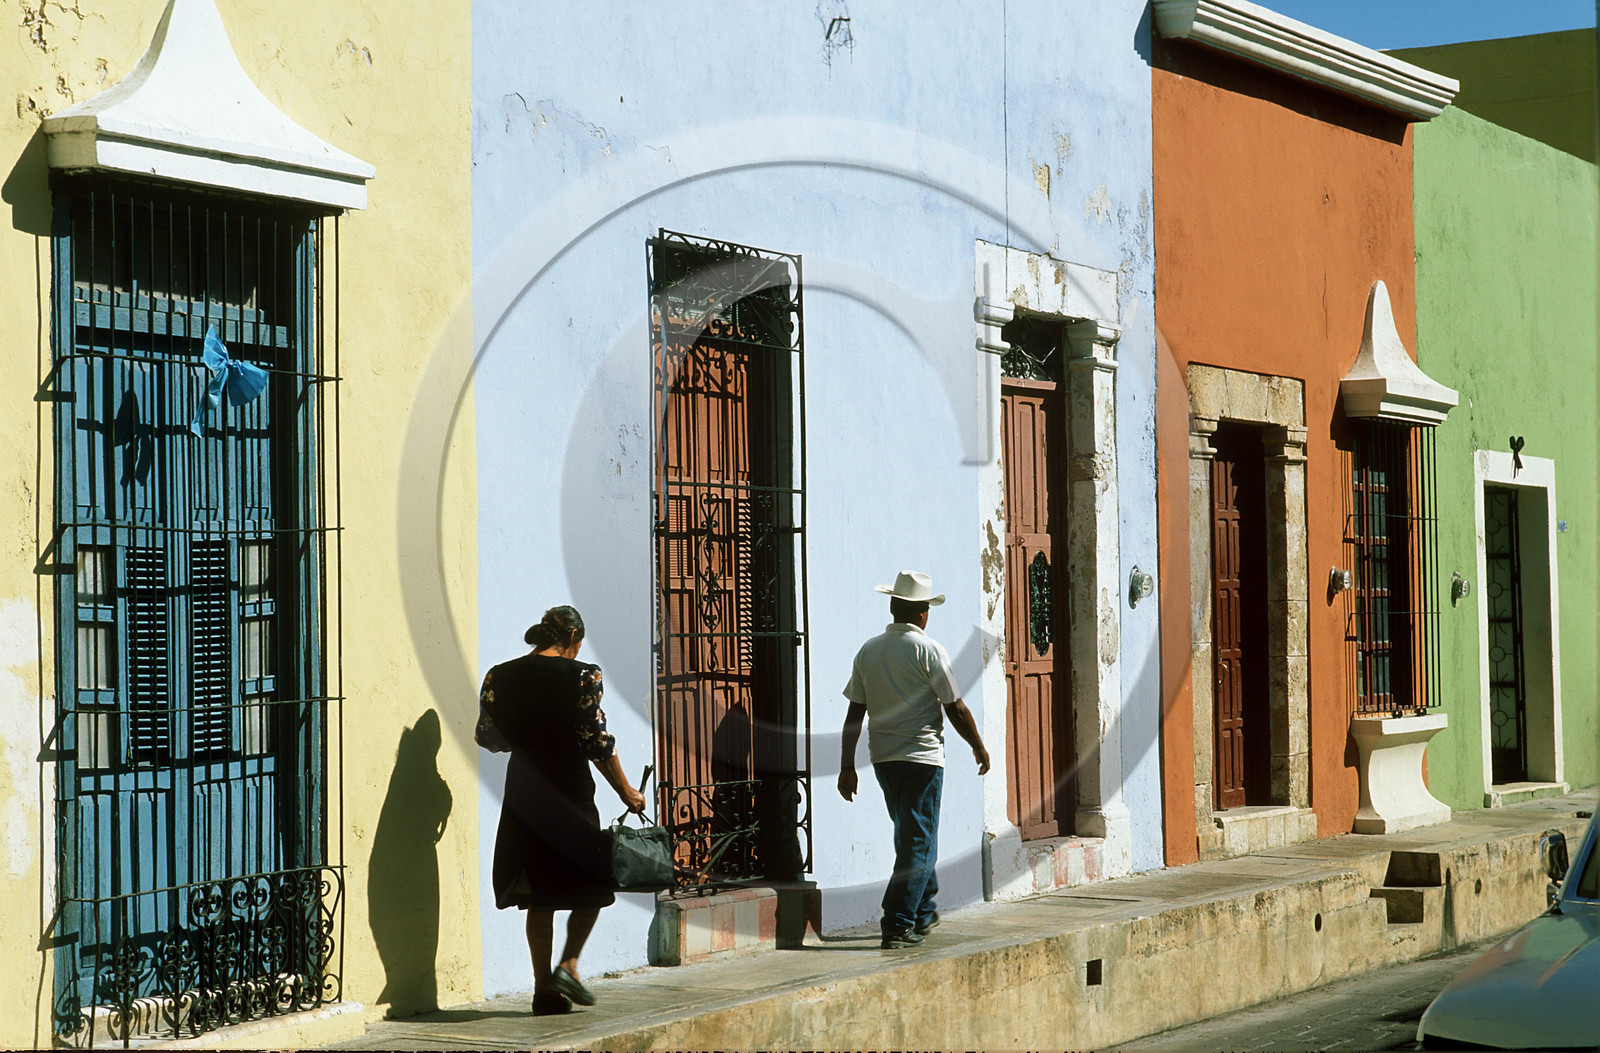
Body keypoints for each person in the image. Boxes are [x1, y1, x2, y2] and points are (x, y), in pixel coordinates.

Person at [478, 605, 646, 1014]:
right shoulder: (583, 674)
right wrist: (626, 791)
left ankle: (544, 991)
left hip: (524, 791)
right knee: (595, 880)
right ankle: (568, 965)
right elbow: (596, 741)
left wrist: (526, 736)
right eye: (578, 644)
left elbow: (487, 737)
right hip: (569, 788)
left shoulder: (500, 674)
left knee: (540, 894)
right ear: (572, 637)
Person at [837, 570, 991, 949]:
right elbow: (954, 707)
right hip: (922, 759)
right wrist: (978, 746)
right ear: (922, 612)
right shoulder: (930, 650)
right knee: (919, 843)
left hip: (884, 760)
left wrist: (846, 766)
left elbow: (855, 714)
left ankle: (922, 910)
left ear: (893, 607)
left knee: (912, 839)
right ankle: (899, 921)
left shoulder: (868, 651)